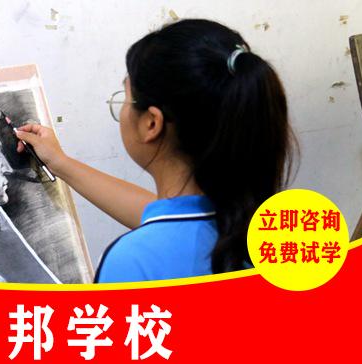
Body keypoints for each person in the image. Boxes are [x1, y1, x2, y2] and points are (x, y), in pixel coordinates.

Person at [15, 19, 294, 283]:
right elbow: (170, 218)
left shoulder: (132, 263)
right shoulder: (276, 237)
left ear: (151, 123)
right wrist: (60, 163)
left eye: (126, 99)